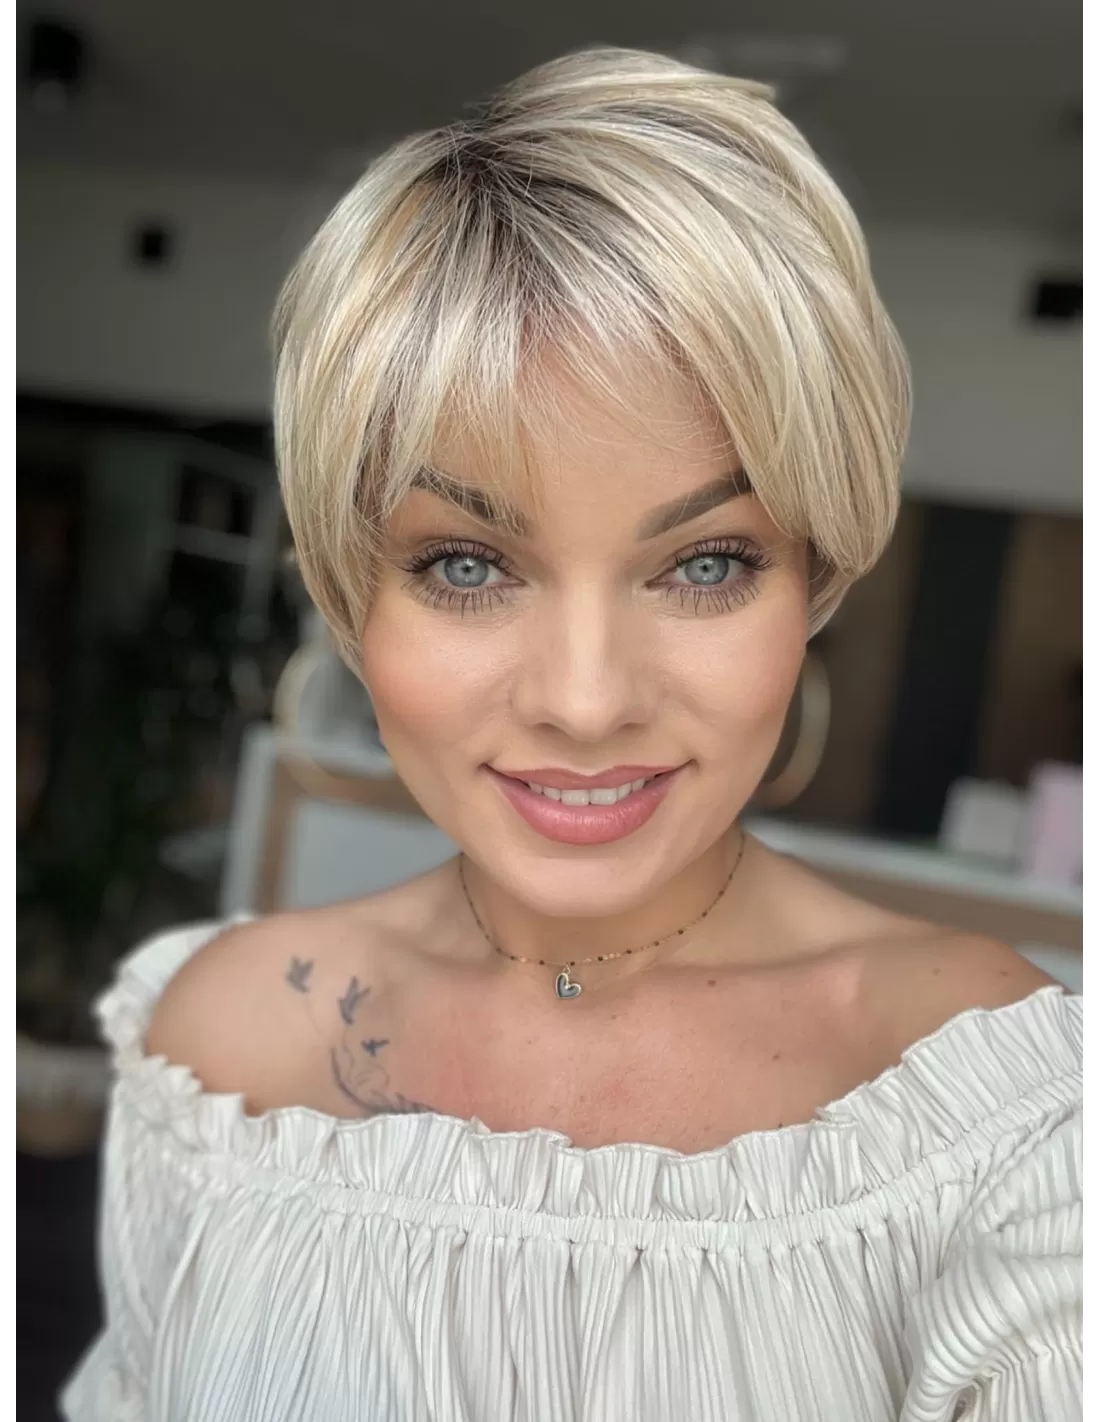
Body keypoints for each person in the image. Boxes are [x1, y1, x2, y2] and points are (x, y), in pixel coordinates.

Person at [62, 47, 1081, 1422]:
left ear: (817, 579)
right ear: (350, 598)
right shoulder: (220, 1049)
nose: (588, 701)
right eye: (467, 564)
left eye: (705, 563)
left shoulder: (1009, 1123)